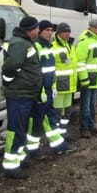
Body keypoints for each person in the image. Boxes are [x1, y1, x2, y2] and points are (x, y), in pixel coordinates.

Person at [1, 16, 42, 179]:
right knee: (16, 130)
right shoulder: (20, 43)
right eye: (37, 28)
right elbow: (10, 67)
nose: (38, 30)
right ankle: (11, 168)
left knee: (22, 128)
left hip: (26, 94)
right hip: (19, 95)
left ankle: (19, 158)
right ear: (30, 30)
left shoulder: (25, 42)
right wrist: (8, 81)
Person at [27, 20, 73, 157]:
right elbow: (35, 72)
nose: (49, 32)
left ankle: (37, 149)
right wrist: (40, 91)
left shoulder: (47, 47)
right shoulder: (36, 47)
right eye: (46, 30)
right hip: (40, 92)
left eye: (51, 30)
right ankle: (58, 146)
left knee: (44, 120)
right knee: (45, 120)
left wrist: (53, 87)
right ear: (39, 31)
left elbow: (51, 71)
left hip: (47, 90)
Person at [76, 19, 97, 139]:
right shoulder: (85, 41)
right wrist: (84, 80)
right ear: (91, 27)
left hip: (94, 79)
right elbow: (80, 62)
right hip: (87, 80)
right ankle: (84, 128)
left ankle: (91, 126)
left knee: (92, 105)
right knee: (85, 106)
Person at [52, 22, 78, 129]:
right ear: (59, 33)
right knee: (57, 112)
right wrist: (53, 86)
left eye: (68, 32)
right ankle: (55, 134)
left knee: (66, 113)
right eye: (64, 32)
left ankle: (63, 133)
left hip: (69, 86)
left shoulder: (70, 46)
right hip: (59, 86)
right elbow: (51, 68)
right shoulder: (53, 47)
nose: (67, 34)